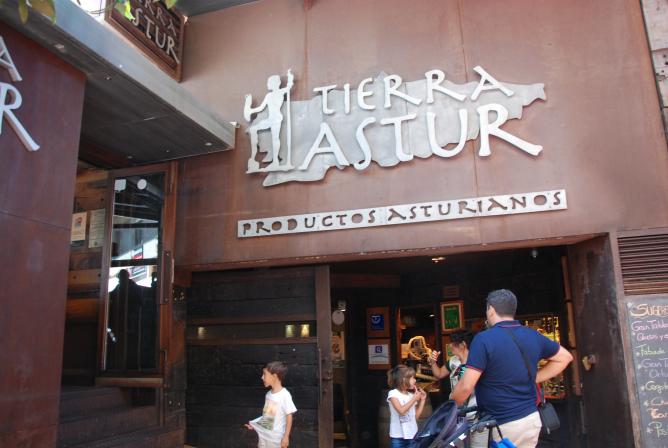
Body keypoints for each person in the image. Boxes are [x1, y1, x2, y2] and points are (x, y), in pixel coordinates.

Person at [452, 289, 573, 448]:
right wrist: (535, 377)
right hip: (531, 419)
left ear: (491, 309)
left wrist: (450, 406)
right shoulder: (532, 335)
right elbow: (565, 357)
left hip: (503, 426)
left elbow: (465, 387)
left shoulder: (483, 340)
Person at [428, 330, 486, 448]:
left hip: (475, 412)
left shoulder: (476, 360)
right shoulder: (453, 361)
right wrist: (433, 363)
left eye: (453, 343)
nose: (450, 345)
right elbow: (439, 374)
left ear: (462, 345)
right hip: (457, 414)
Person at [246, 361, 297, 448]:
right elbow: (268, 418)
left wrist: (286, 437)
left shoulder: (285, 395)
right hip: (264, 438)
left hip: (276, 440)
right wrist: (255, 425)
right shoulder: (268, 395)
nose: (262, 377)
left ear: (274, 376)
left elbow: (289, 416)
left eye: (264, 374)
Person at [386, 364, 428, 447]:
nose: (415, 380)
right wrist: (414, 399)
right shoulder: (393, 394)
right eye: (412, 378)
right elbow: (401, 411)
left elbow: (415, 417)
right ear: (404, 379)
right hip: (398, 437)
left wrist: (423, 400)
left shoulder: (411, 395)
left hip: (412, 435)